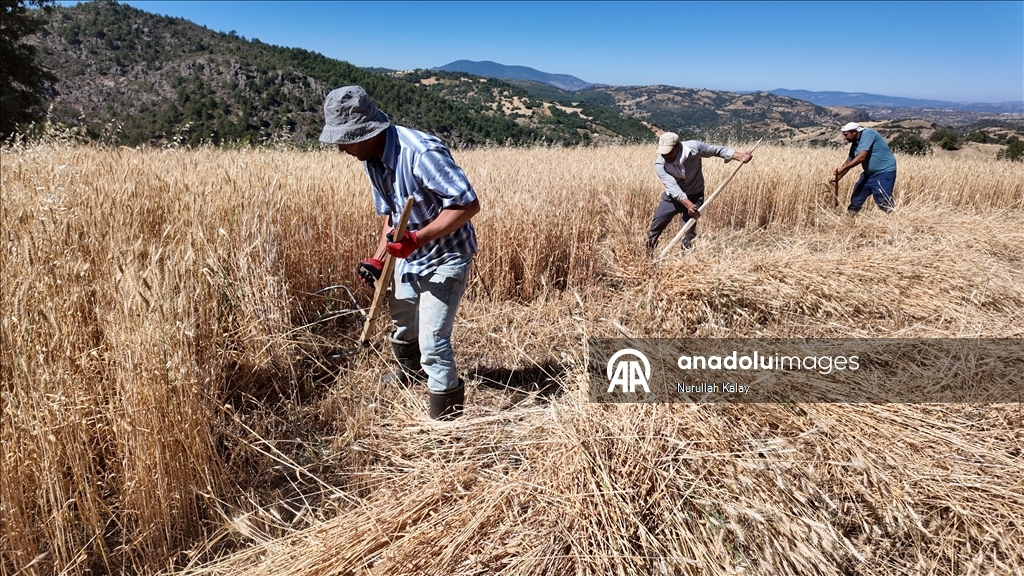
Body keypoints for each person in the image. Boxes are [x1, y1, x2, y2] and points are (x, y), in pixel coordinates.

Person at [320, 85, 480, 421]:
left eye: (346, 139)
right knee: (403, 323)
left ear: (367, 133)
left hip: (446, 256)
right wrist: (379, 259)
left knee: (433, 343)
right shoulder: (372, 160)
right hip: (409, 256)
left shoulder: (421, 153)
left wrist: (417, 238)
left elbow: (467, 204)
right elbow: (393, 217)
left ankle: (446, 417)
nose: (341, 148)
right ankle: (411, 373)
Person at [646, 132, 753, 252]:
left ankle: (686, 255)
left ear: (677, 147)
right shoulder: (660, 165)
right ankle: (648, 251)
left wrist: (739, 156)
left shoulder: (694, 147)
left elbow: (717, 150)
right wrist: (687, 204)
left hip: (695, 195)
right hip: (672, 198)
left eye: (669, 152)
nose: (666, 156)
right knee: (657, 224)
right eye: (663, 153)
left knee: (688, 229)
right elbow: (673, 187)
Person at [829, 122, 897, 214]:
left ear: (854, 132)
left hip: (884, 172)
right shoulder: (855, 143)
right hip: (868, 174)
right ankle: (850, 217)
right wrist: (838, 178)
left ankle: (893, 217)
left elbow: (861, 157)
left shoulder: (868, 134)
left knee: (883, 200)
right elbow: (848, 161)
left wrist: (842, 169)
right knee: (856, 197)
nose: (845, 137)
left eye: (846, 135)